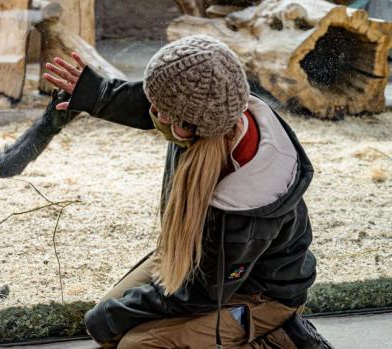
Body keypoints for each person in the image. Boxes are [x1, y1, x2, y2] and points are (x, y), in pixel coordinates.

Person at [44, 35, 332, 348]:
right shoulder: (212, 114)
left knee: (134, 344)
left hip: (260, 293)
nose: (153, 112)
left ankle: (280, 339)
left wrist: (117, 315)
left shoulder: (248, 199)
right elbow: (155, 102)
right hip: (196, 258)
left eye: (162, 110)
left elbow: (200, 293)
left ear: (190, 126)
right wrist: (96, 93)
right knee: (109, 328)